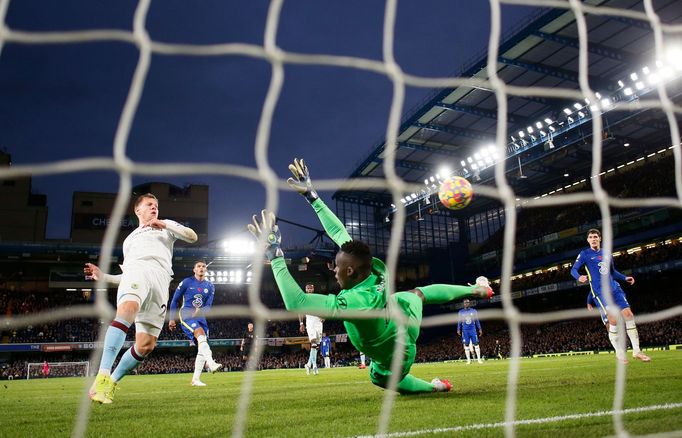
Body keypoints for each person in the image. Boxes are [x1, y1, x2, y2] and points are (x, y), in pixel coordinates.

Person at [247, 158, 493, 394]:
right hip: (402, 317)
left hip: (396, 354)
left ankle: (434, 387)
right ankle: (478, 290)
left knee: (379, 376)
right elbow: (338, 232)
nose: (333, 269)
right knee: (416, 294)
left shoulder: (355, 303)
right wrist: (312, 196)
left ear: (350, 270)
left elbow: (296, 302)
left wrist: (275, 256)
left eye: (336, 266)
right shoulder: (374, 269)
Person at [84, 193, 198, 403]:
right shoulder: (130, 240)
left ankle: (111, 383)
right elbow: (127, 276)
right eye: (149, 205)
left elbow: (192, 236)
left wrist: (163, 224)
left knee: (146, 345)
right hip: (138, 272)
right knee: (127, 309)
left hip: (161, 282)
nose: (154, 208)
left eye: (156, 205)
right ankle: (102, 374)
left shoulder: (166, 228)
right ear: (138, 210)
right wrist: (104, 277)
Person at [570, 228, 651, 364]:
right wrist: (579, 277)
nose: (593, 239)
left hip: (614, 288)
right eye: (591, 237)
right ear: (588, 240)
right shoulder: (584, 254)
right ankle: (619, 353)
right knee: (613, 320)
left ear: (600, 238)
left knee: (629, 315)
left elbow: (612, 272)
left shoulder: (607, 253)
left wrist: (625, 278)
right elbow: (573, 269)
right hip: (600, 292)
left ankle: (637, 351)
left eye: (596, 236)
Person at [169, 260, 222, 386]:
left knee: (201, 346)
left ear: (206, 270)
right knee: (200, 334)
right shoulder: (186, 282)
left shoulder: (210, 286)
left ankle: (195, 379)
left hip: (201, 317)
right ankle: (211, 362)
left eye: (203, 266)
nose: (201, 268)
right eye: (198, 266)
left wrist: (201, 311)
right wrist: (171, 318)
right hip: (187, 313)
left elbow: (208, 306)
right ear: (194, 269)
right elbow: (175, 300)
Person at [299, 283, 323, 375]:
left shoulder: (317, 298)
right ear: (305, 289)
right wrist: (301, 323)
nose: (309, 290)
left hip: (318, 323)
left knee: (316, 346)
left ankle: (308, 365)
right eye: (308, 288)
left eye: (311, 288)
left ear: (313, 289)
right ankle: (315, 366)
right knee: (313, 343)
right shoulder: (303, 299)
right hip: (310, 323)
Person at [457, 297, 483, 364]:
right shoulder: (460, 312)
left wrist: (479, 329)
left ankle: (479, 359)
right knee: (466, 344)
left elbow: (477, 320)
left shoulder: (474, 311)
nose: (467, 303)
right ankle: (468, 360)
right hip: (465, 331)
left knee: (476, 344)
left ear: (469, 303)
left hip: (473, 330)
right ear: (463, 304)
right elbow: (459, 321)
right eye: (465, 302)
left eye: (468, 302)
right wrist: (458, 329)